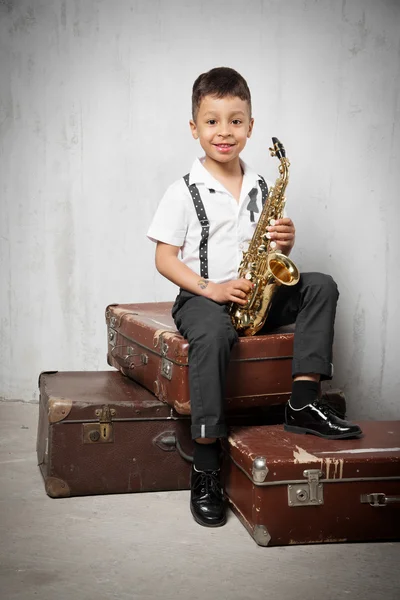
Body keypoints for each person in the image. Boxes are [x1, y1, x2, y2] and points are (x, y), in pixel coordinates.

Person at [147, 67, 362, 528]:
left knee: (321, 282)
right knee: (212, 336)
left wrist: (282, 243)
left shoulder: (262, 185)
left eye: (235, 120)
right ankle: (206, 463)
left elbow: (268, 253)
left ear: (250, 125)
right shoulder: (182, 191)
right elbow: (165, 259)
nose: (224, 131)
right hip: (203, 297)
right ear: (194, 128)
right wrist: (213, 289)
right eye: (212, 121)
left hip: (255, 294)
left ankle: (303, 401)